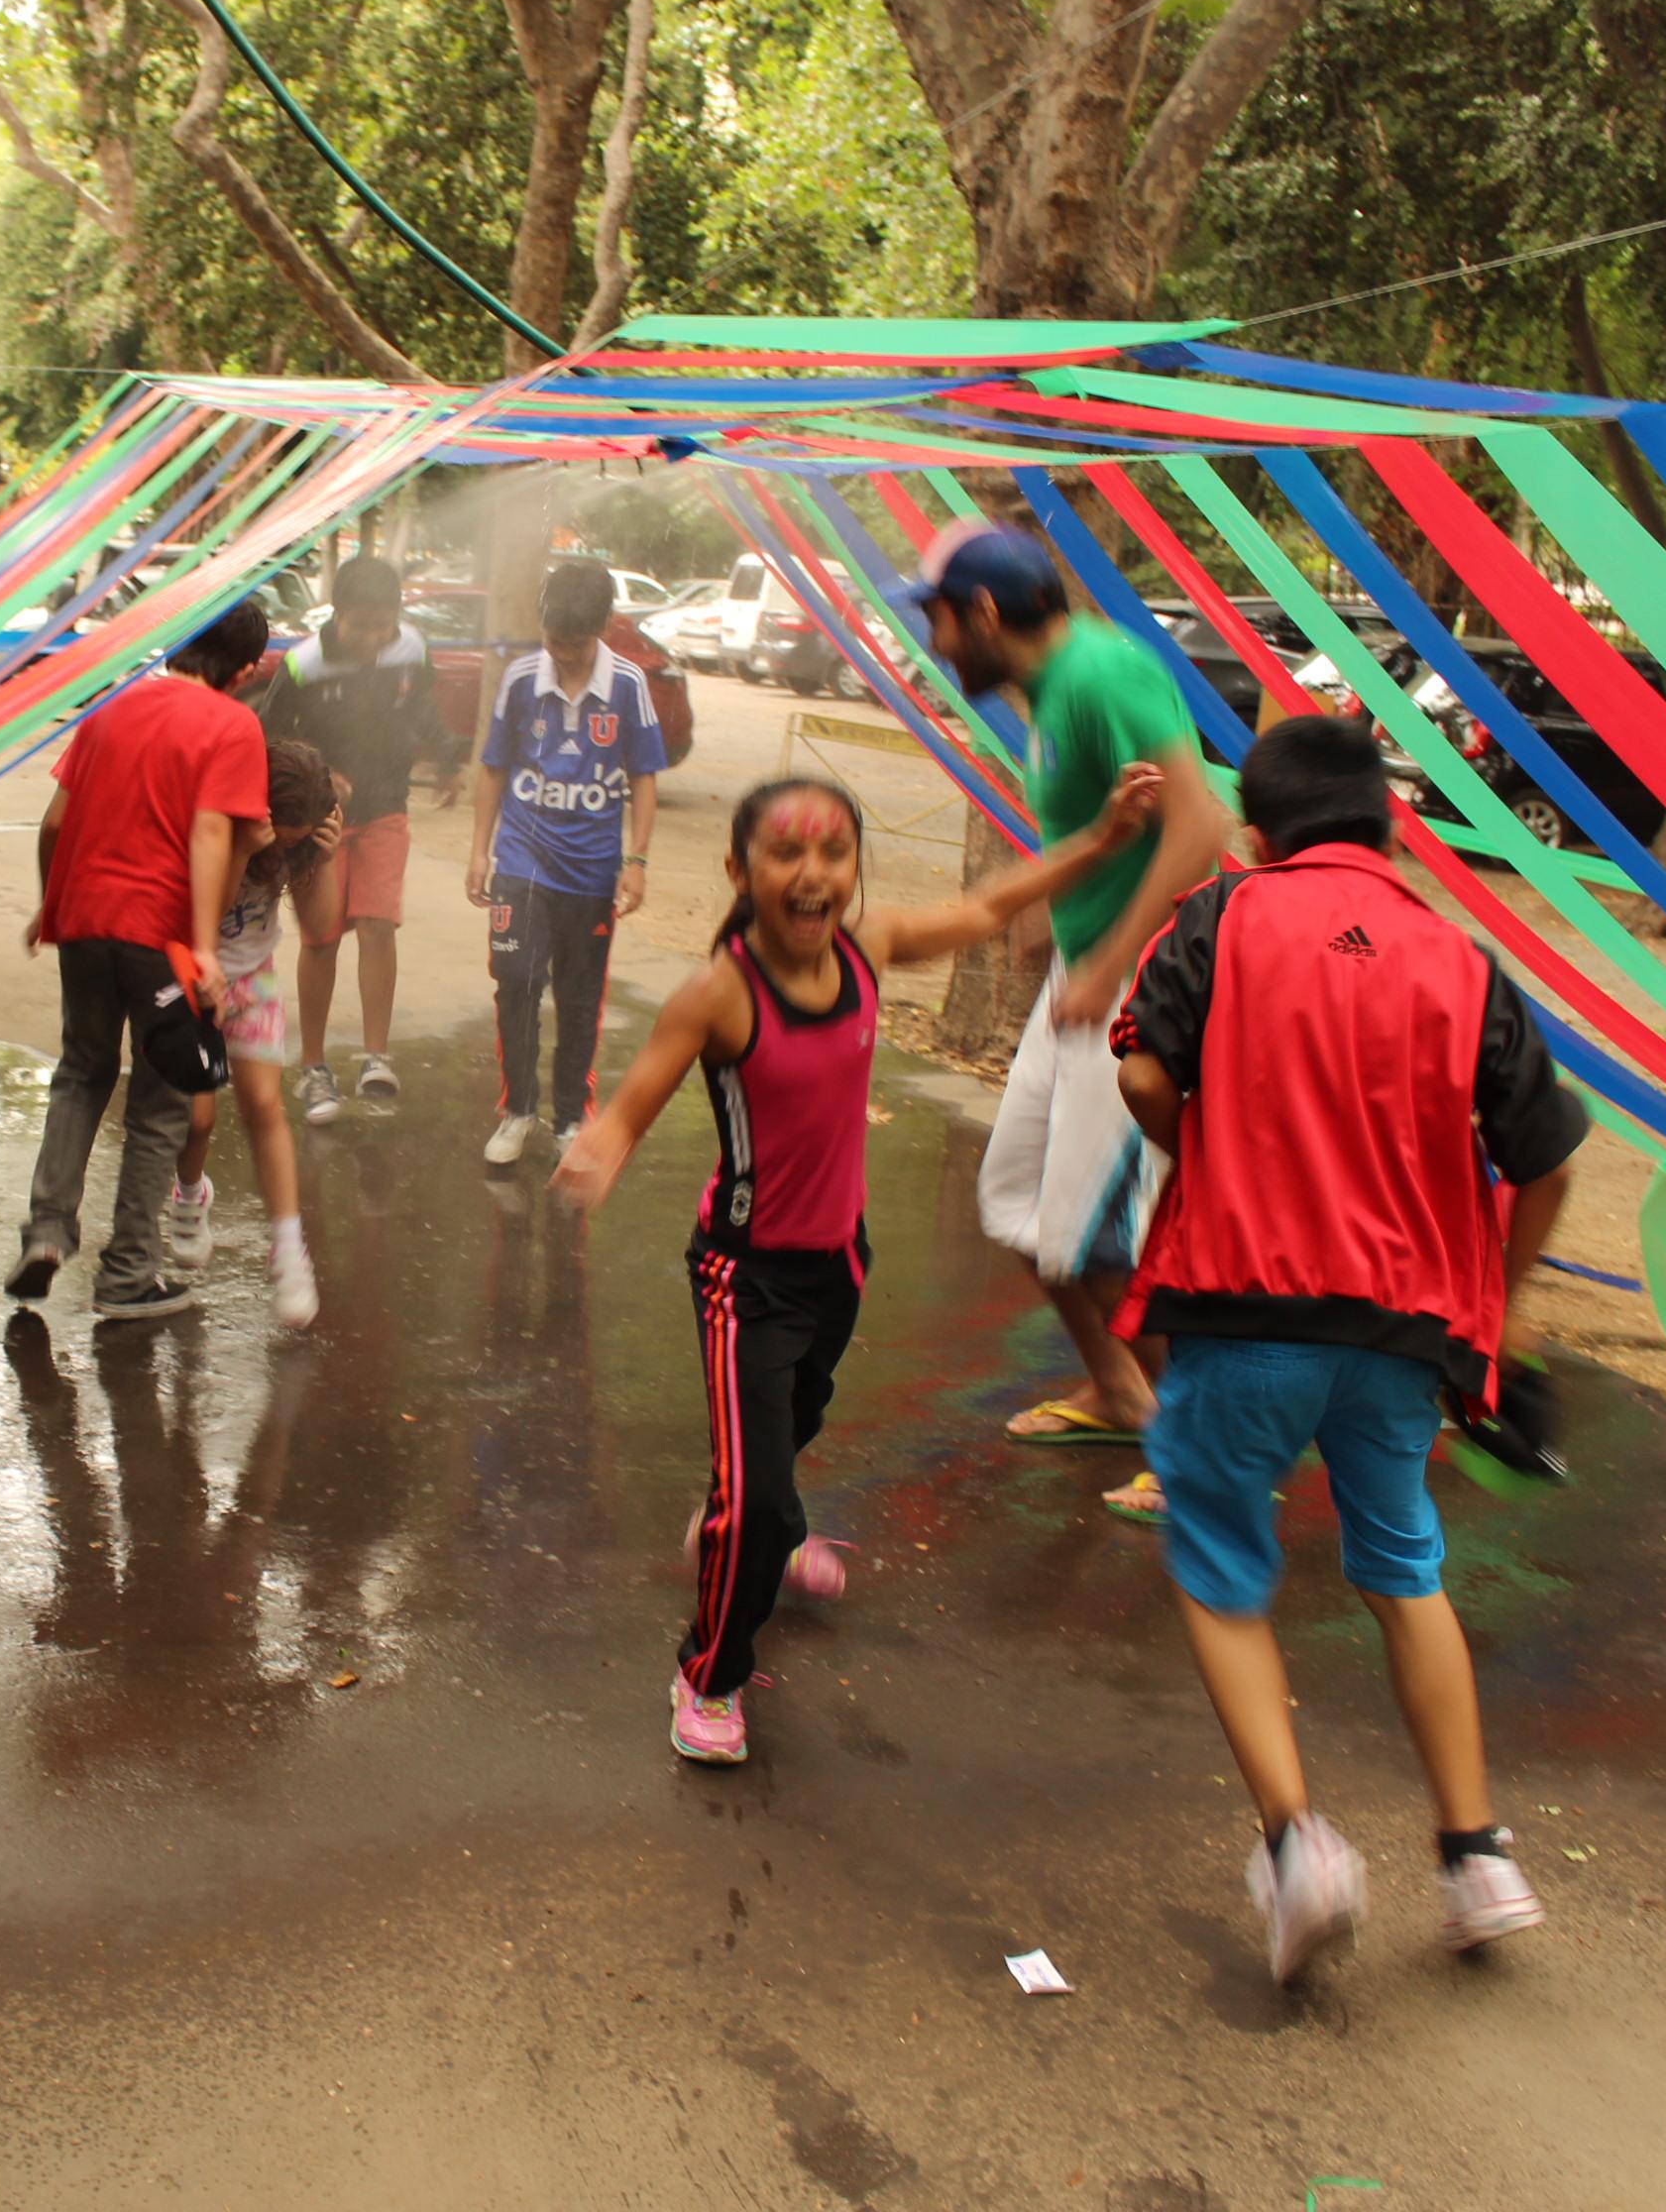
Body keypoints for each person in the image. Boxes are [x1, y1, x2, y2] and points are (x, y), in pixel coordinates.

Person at [552, 761, 1165, 1766]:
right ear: (740, 871)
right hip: (743, 1279)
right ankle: (708, 1674)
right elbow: (631, 1105)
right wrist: (599, 1154)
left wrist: (1098, 841)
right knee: (746, 1501)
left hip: (839, 1262)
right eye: (786, 850)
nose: (813, 871)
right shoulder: (720, 993)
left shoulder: (868, 952)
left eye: (834, 852)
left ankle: (772, 1529)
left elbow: (983, 903)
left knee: (793, 1432)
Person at [1111, 717, 1583, 1980]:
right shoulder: (1456, 957)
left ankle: (1298, 1845)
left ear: (1260, 836)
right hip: (1401, 1333)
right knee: (1403, 1569)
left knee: (1220, 1569)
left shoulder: (1221, 918)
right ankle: (1477, 1857)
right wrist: (1502, 1292)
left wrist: (1206, 1137)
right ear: (1387, 826)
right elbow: (1545, 1158)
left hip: (1242, 1303)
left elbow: (1144, 1075)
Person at [906, 524, 1228, 1517]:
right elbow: (1104, 823)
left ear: (988, 614)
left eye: (942, 619)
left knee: (1113, 1235)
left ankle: (1204, 1457)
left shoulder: (1095, 673)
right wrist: (1053, 920)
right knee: (1018, 1205)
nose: (937, 642)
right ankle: (1118, 1390)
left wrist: (1115, 958)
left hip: (1138, 993)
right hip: (1084, 986)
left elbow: (1204, 826)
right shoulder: (1044, 693)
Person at [12, 602, 273, 1321]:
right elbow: (214, 833)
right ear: (245, 670)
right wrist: (203, 951)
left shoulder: (111, 707)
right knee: (160, 1104)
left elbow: (56, 822)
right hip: (159, 937)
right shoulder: (233, 725)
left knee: (81, 1073)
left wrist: (50, 903)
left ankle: (45, 1232)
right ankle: (127, 1274)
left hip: (85, 921)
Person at [465, 558, 667, 1168]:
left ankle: (570, 1118)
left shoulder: (629, 685)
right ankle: (518, 1110)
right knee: (518, 983)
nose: (564, 655)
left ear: (603, 627)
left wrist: (636, 861)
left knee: (580, 998)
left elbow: (644, 778)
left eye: (576, 645)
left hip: (591, 870)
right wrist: (479, 849)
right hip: (522, 858)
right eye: (555, 641)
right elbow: (495, 767)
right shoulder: (522, 679)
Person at [258, 556, 454, 1124]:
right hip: (321, 822)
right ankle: (314, 1068)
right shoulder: (303, 666)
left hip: (387, 807)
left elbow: (421, 705)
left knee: (377, 924)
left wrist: (446, 757)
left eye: (383, 625)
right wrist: (318, 772)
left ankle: (375, 1056)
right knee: (321, 937)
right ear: (337, 614)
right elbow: (268, 738)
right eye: (361, 625)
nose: (373, 638)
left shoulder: (409, 649)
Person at [167, 737, 342, 1329]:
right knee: (197, 1120)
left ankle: (290, 1252)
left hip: (254, 980)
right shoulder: (220, 826)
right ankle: (189, 1195)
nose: (286, 846)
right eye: (282, 834)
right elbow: (204, 914)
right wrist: (245, 848)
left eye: (300, 835)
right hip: (196, 975)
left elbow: (320, 930)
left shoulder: (302, 843)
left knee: (265, 1106)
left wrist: (322, 859)